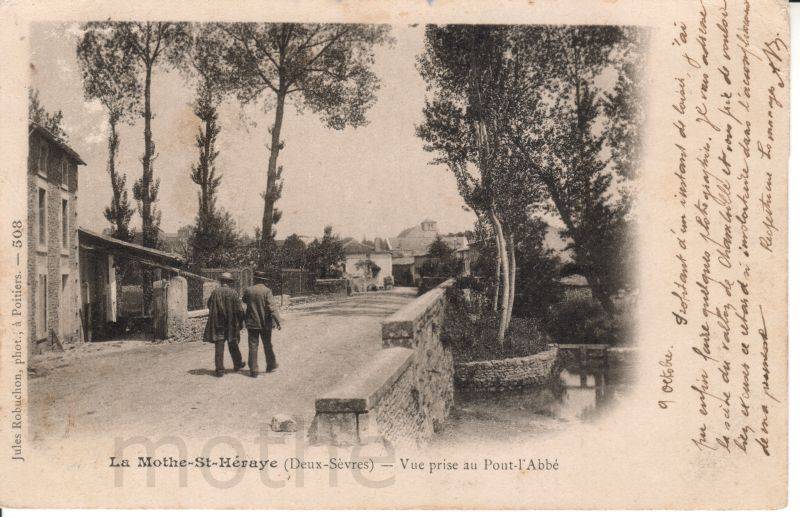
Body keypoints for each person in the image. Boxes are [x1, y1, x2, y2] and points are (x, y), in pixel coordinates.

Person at [203, 272, 245, 377]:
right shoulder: (233, 293)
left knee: (219, 347)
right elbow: (239, 310)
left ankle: (219, 370)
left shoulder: (215, 292)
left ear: (222, 281)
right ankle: (238, 364)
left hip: (218, 323)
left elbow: (209, 304)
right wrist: (240, 322)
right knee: (233, 344)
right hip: (231, 324)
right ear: (230, 282)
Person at [242, 277, 282, 378]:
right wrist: (278, 321)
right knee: (267, 344)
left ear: (255, 280)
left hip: (252, 323)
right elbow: (272, 307)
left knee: (253, 346)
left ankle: (254, 370)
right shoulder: (267, 291)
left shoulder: (248, 290)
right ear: (264, 280)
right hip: (265, 323)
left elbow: (244, 300)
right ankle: (271, 365)